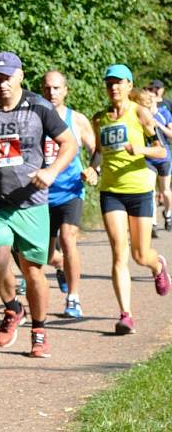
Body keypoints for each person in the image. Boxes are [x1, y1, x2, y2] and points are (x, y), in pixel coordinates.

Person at [0, 52, 78, 358]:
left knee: (33, 271)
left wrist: (51, 172)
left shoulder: (39, 106)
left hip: (31, 201)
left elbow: (69, 143)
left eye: (8, 77)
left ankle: (39, 330)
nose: (3, 84)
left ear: (20, 76)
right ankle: (13, 308)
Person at [82, 65, 171, 334]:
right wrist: (92, 169)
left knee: (140, 254)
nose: (114, 88)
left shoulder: (140, 113)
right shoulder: (100, 119)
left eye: (119, 83)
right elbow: (98, 152)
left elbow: (160, 151)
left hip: (140, 189)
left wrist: (139, 149)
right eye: (109, 83)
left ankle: (157, 265)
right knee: (119, 253)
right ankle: (126, 315)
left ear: (129, 85)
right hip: (111, 192)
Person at [40, 70, 96, 318]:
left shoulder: (77, 120)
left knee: (68, 237)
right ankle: (60, 264)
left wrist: (93, 169)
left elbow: (97, 150)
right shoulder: (34, 117)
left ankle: (73, 298)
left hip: (70, 191)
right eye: (47, 88)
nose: (52, 92)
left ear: (65, 90)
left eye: (56, 88)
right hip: (40, 194)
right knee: (44, 253)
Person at [143, 87, 172, 233]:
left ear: (155, 99)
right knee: (150, 191)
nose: (147, 102)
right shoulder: (140, 115)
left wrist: (158, 125)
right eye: (145, 99)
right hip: (148, 158)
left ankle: (168, 216)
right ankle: (152, 224)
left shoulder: (164, 113)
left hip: (164, 157)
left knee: (165, 190)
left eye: (150, 99)